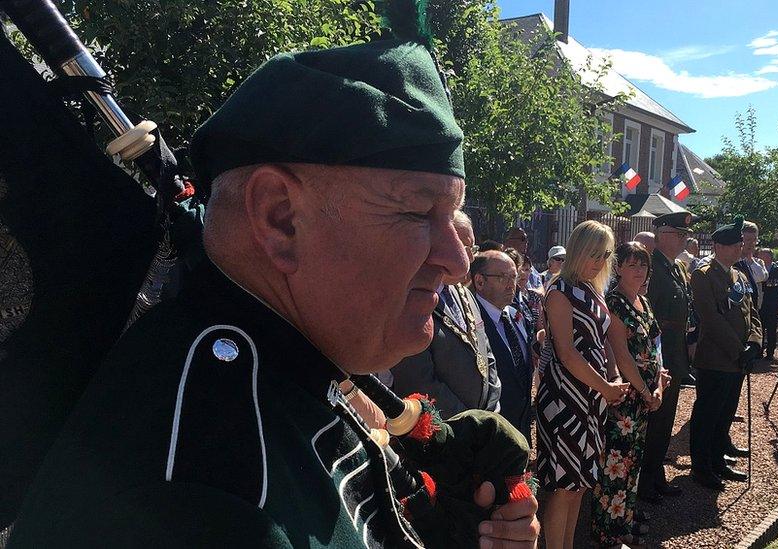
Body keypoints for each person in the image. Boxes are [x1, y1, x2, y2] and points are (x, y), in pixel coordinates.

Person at [7, 41, 538, 548]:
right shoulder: (199, 500)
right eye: (420, 213)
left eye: (452, 216)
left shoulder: (289, 368)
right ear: (280, 218)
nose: (458, 261)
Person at [536, 220, 630, 549]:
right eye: (594, 254)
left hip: (591, 395)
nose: (600, 262)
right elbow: (567, 352)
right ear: (578, 251)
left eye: (606, 255)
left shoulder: (592, 288)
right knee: (563, 486)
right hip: (565, 396)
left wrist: (613, 376)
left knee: (579, 484)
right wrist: (606, 385)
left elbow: (603, 341)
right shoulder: (559, 291)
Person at [591, 241, 667, 547]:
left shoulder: (643, 303)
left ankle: (623, 524)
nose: (639, 271)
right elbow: (622, 356)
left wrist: (659, 384)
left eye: (643, 265)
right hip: (625, 400)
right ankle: (606, 532)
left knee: (632, 465)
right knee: (615, 466)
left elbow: (656, 347)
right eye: (632, 265)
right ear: (618, 267)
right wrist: (648, 391)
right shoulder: (615, 304)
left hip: (646, 397)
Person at [391, 212, 501, 418]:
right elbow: (417, 380)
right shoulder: (414, 297)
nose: (469, 258)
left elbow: (487, 357)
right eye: (464, 247)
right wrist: (470, 424)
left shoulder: (466, 294)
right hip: (443, 434)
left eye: (473, 249)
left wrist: (491, 413)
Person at [688, 217, 762, 491]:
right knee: (708, 413)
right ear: (717, 246)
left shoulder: (740, 275)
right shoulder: (703, 275)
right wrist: (737, 349)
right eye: (732, 245)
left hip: (737, 360)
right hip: (716, 358)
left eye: (739, 244)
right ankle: (702, 465)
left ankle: (718, 459)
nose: (737, 249)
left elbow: (751, 313)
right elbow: (711, 317)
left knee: (726, 412)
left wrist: (754, 343)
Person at [638, 211, 697, 503]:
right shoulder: (651, 270)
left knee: (666, 420)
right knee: (654, 421)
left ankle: (655, 473)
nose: (685, 239)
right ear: (661, 235)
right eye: (679, 234)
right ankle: (644, 480)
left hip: (674, 351)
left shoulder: (675, 268)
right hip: (657, 355)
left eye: (685, 234)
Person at [472, 251, 534, 442]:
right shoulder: (471, 320)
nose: (510, 284)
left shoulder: (516, 315)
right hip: (490, 433)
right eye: (501, 277)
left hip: (519, 430)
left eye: (513, 277)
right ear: (479, 281)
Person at [759, 248, 778, 361]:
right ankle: (758, 351)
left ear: (769, 257)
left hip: (772, 305)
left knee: (771, 330)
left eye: (762, 255)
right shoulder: (757, 269)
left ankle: (770, 353)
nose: (760, 257)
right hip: (760, 304)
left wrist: (776, 299)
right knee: (759, 328)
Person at [736, 221, 768, 308]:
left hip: (754, 308)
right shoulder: (733, 262)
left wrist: (750, 259)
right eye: (748, 240)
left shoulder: (758, 262)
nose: (751, 243)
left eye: (754, 240)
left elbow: (761, 277)